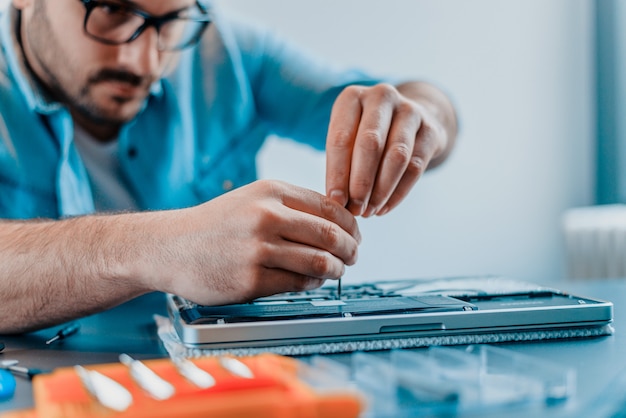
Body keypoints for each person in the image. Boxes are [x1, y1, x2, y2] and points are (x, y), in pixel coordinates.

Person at [0, 0, 458, 333]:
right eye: (112, 10)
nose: (145, 61)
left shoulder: (229, 51)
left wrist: (421, 117)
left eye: (172, 20)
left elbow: (416, 102)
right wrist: (162, 247)